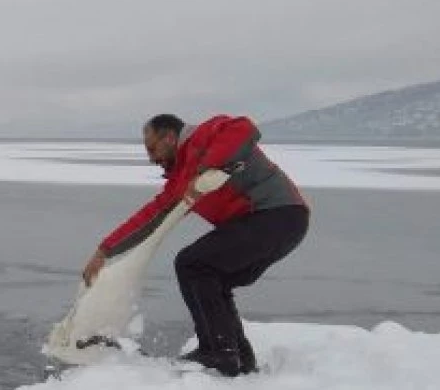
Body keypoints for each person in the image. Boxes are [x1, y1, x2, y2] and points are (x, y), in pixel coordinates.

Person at [81, 113, 310, 376]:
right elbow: (149, 218)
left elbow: (243, 129)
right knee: (213, 277)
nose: (151, 157)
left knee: (193, 264)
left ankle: (218, 352)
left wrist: (203, 170)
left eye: (152, 147)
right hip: (275, 223)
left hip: (279, 214)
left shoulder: (207, 134)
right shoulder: (180, 179)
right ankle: (239, 357)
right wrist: (104, 251)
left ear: (169, 137)